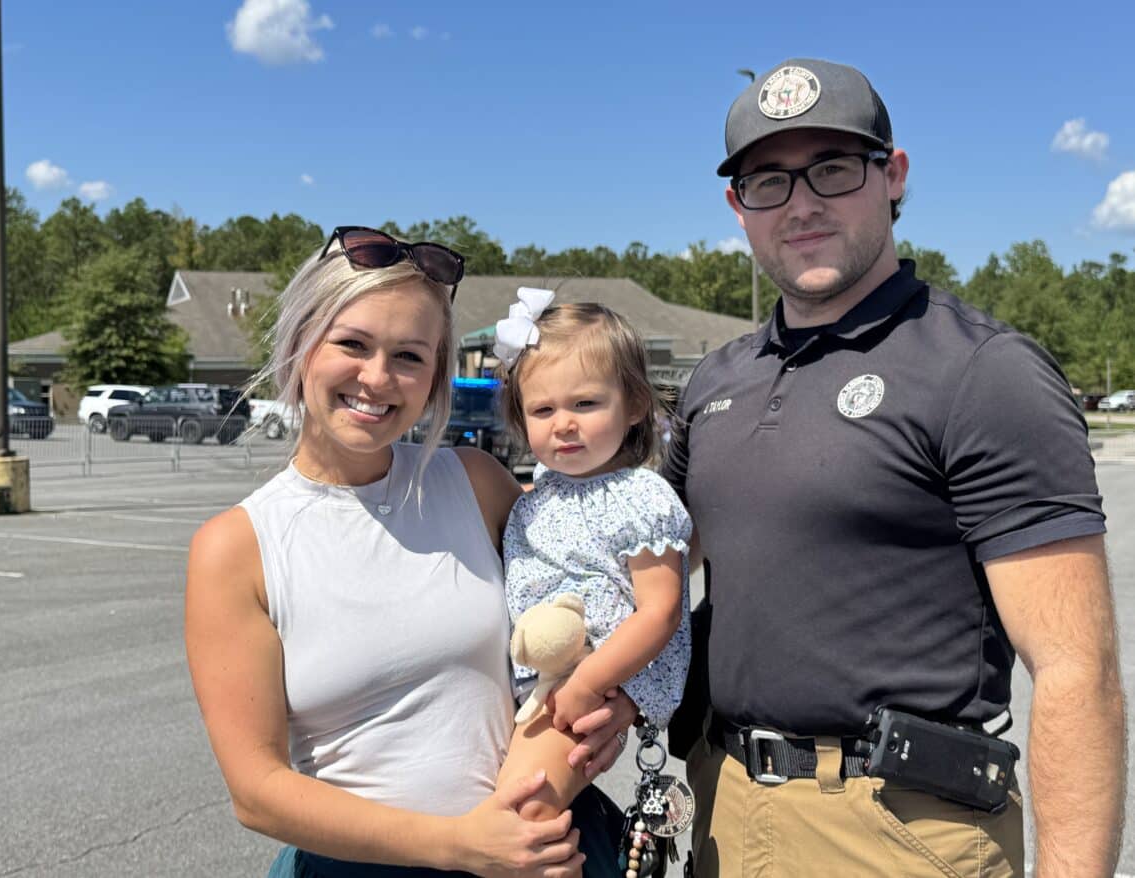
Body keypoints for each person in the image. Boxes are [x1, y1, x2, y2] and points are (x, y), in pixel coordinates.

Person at [662, 58, 1126, 877]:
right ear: (738, 207)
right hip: (722, 807)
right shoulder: (716, 380)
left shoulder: (981, 371)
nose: (801, 203)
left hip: (901, 830)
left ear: (894, 175)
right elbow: (646, 570)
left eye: (833, 169)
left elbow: (1075, 672)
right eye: (769, 181)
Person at [184, 226, 637, 878]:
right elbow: (256, 790)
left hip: (546, 849)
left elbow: (607, 597)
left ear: (434, 375)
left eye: (408, 356)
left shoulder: (476, 484)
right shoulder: (236, 548)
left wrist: (616, 699)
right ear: (301, 345)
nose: (377, 378)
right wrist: (461, 846)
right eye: (352, 344)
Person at [490, 290, 692, 819]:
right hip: (534, 686)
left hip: (589, 683)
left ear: (635, 405)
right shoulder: (535, 497)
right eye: (543, 409)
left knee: (525, 808)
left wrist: (589, 682)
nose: (563, 423)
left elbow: (661, 611)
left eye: (585, 404)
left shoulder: (641, 498)